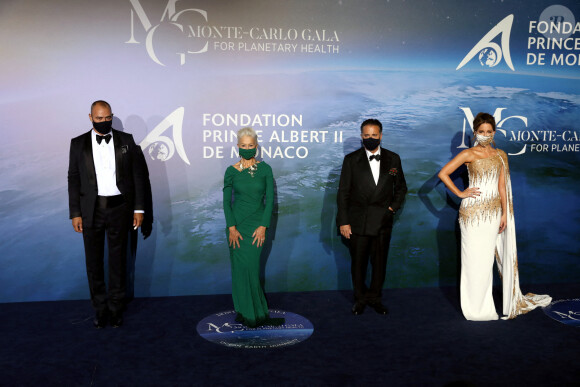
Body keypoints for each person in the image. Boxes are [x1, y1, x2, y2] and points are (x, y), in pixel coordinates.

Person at [438, 112, 551, 321]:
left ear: (494, 132)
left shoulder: (501, 155)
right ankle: (476, 309)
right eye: (481, 131)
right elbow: (443, 174)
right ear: (475, 132)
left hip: (493, 215)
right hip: (471, 215)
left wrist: (505, 215)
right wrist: (461, 193)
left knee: (487, 260)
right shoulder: (468, 154)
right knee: (473, 260)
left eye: (489, 131)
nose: (485, 135)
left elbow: (502, 187)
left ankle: (489, 305)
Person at [68, 100, 147, 328]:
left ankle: (115, 308)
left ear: (112, 116)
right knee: (93, 262)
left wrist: (138, 208)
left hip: (120, 208)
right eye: (99, 118)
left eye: (108, 118)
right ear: (90, 117)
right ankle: (100, 309)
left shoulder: (126, 140)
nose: (104, 122)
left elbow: (137, 176)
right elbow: (73, 178)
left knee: (118, 260)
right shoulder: (77, 143)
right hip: (90, 210)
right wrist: (75, 212)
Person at [337, 119, 407, 315]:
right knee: (358, 264)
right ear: (361, 137)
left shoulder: (393, 159)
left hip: (383, 221)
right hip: (358, 221)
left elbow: (401, 188)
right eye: (366, 136)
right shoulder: (351, 160)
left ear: (381, 135)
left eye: (374, 135)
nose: (370, 138)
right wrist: (344, 221)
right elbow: (343, 193)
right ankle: (359, 300)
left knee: (379, 263)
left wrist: (391, 209)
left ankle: (375, 298)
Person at [223, 127, 283, 327]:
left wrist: (263, 226)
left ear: (256, 147)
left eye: (250, 146)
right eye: (243, 146)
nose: (247, 148)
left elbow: (270, 200)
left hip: (256, 225)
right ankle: (243, 310)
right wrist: (231, 227)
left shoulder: (265, 169)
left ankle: (256, 312)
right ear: (237, 147)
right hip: (236, 226)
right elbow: (226, 203)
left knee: (251, 268)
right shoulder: (230, 171)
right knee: (239, 269)